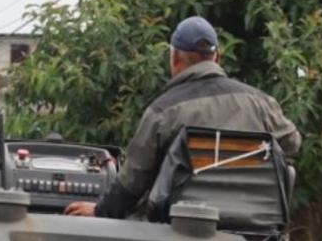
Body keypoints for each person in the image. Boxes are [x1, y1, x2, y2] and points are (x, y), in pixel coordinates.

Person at [65, 16, 300, 220]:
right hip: (255, 235)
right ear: (216, 57)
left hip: (180, 237)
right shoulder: (259, 102)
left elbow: (132, 182)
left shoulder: (163, 111)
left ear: (175, 58)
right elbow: (292, 143)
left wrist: (100, 211)